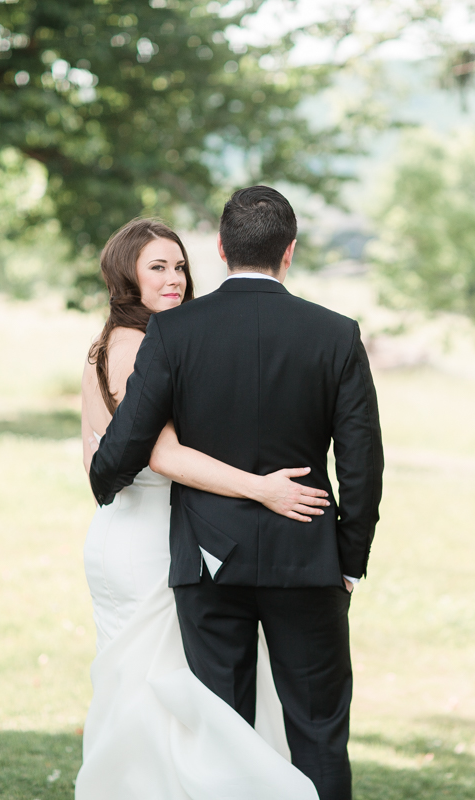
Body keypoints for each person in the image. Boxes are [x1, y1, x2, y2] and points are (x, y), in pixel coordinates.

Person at [90, 186, 384, 800]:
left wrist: (104, 477)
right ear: (290, 251)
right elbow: (361, 463)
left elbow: (128, 440)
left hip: (208, 562)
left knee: (221, 733)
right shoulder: (335, 334)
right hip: (307, 561)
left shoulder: (174, 333)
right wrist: (347, 559)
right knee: (319, 733)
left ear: (220, 249)